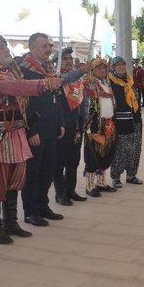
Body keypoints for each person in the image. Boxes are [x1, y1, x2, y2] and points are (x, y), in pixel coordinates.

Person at [0, 33, 58, 244]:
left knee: (15, 180)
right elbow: (15, 88)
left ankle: (11, 222)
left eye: (5, 45)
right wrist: (44, 85)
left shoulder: (10, 72)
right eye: (0, 47)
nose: (6, 49)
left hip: (16, 133)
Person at [20, 33, 66, 227]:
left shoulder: (49, 69)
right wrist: (31, 130)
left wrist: (61, 121)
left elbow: (57, 97)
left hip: (51, 127)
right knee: (33, 172)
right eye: (44, 46)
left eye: (49, 45)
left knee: (48, 169)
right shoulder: (24, 70)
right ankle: (30, 211)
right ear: (32, 47)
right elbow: (24, 104)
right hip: (36, 129)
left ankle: (43, 205)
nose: (48, 49)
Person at [53, 48, 89, 206]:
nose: (68, 60)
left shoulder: (78, 79)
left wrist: (86, 117)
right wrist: (81, 70)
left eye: (69, 58)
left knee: (74, 159)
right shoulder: (57, 77)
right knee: (60, 160)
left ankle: (70, 190)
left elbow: (84, 100)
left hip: (77, 122)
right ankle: (60, 193)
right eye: (64, 58)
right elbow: (66, 78)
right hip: (63, 123)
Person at [83, 58, 117, 197]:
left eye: (104, 68)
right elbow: (87, 106)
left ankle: (101, 182)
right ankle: (89, 186)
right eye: (99, 68)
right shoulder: (89, 84)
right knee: (93, 155)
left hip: (109, 124)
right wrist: (88, 127)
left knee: (106, 154)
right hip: (95, 126)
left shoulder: (107, 84)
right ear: (93, 70)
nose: (102, 71)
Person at [109, 56, 144, 187]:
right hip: (120, 120)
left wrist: (138, 117)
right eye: (118, 65)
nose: (121, 67)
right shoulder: (110, 82)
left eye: (123, 64)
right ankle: (116, 177)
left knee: (135, 149)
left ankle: (131, 175)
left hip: (135, 119)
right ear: (113, 67)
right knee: (120, 150)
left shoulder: (130, 81)